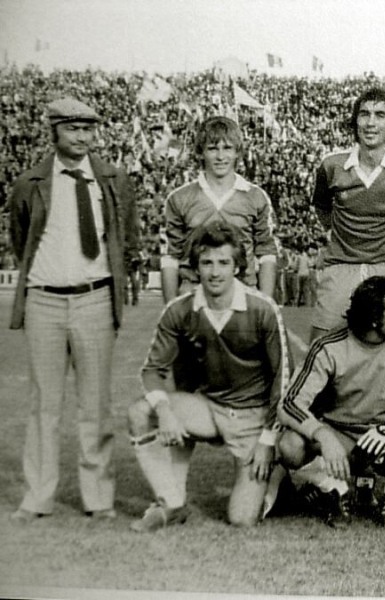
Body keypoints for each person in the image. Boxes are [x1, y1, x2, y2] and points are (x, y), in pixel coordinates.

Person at [7, 97, 140, 523]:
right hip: (43, 299)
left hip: (95, 298)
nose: (82, 137)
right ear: (54, 132)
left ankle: (98, 497)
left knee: (95, 405)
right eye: (72, 129)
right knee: (43, 404)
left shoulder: (113, 180)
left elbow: (127, 237)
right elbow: (20, 238)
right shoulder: (29, 183)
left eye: (88, 129)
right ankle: (38, 496)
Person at [127, 221, 291, 531]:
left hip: (252, 416)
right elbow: (153, 368)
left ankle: (277, 477)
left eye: (223, 263)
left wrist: (268, 440)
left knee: (242, 518)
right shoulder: (180, 309)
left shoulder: (262, 309)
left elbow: (282, 380)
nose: (215, 272)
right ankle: (171, 503)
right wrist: (165, 410)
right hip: (209, 407)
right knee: (140, 413)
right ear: (196, 267)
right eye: (207, 263)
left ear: (237, 266)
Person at [277, 276, 385, 527]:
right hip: (342, 436)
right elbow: (289, 404)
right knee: (290, 445)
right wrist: (323, 435)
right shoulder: (328, 346)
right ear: (374, 319)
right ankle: (333, 490)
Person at [309, 87, 385, 343]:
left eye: (380, 115)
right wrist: (334, 232)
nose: (370, 122)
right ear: (356, 121)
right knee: (321, 347)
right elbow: (321, 205)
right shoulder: (331, 165)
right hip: (340, 266)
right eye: (364, 114)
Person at [160, 116, 278, 302]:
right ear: (201, 152)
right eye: (213, 148)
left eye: (227, 148)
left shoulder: (256, 197)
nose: (221, 156)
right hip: (194, 297)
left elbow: (267, 254)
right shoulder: (179, 198)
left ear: (238, 152)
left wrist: (265, 305)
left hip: (243, 296)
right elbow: (170, 257)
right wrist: (171, 309)